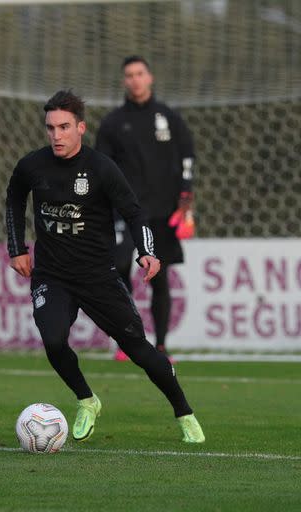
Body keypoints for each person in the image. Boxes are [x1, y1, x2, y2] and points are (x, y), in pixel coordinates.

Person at [5, 89, 204, 443]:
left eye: (64, 127)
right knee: (53, 340)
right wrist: (17, 248)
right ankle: (87, 400)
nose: (56, 135)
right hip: (52, 275)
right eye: (50, 128)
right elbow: (14, 198)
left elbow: (133, 212)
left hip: (98, 277)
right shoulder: (32, 165)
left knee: (141, 350)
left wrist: (147, 251)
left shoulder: (101, 168)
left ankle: (184, 412)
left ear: (81, 127)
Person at [95, 55, 196, 362]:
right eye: (129, 75)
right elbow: (101, 168)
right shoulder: (113, 123)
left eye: (140, 73)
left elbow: (187, 158)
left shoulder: (169, 117)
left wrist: (186, 201)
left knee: (160, 277)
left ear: (149, 77)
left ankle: (162, 346)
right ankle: (128, 341)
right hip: (126, 213)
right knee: (121, 267)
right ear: (124, 80)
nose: (135, 79)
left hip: (163, 212)